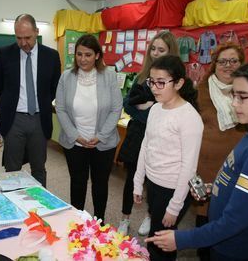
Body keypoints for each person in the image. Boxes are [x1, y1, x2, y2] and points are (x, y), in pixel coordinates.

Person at [147, 58, 248, 261]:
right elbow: (239, 182)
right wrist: (213, 188)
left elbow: (236, 220)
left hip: (234, 248)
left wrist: (182, 239)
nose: (234, 103)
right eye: (233, 95)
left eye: (242, 97)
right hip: (221, 242)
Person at [133, 55, 203, 260]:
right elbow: (146, 146)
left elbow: (189, 167)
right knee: (158, 239)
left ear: (179, 83)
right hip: (154, 184)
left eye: (161, 82)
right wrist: (138, 182)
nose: (154, 88)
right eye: (151, 81)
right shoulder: (155, 108)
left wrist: (175, 206)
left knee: (161, 243)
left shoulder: (189, 118)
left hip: (173, 189)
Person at [117, 31, 180, 236]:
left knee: (155, 182)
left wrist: (150, 107)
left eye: (161, 49)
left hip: (161, 138)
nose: (155, 53)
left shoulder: (176, 79)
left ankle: (151, 216)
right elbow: (128, 104)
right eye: (153, 48)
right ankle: (125, 218)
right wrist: (148, 108)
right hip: (137, 135)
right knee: (132, 179)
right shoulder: (142, 75)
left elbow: (172, 111)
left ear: (171, 52)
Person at [55, 34, 122, 222]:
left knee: (100, 185)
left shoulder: (108, 75)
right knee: (78, 184)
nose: (82, 59)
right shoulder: (66, 77)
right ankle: (78, 223)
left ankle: (99, 223)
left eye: (88, 55)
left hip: (103, 143)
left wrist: (100, 136)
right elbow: (60, 108)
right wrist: (75, 135)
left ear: (98, 56)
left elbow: (116, 108)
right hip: (75, 143)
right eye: (79, 54)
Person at [0, 14, 61, 187]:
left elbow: (54, 87)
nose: (23, 43)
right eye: (19, 38)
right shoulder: (3, 54)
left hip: (40, 118)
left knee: (38, 167)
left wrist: (41, 103)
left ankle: (41, 204)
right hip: (14, 119)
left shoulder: (51, 56)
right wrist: (9, 106)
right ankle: (14, 206)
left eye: (28, 38)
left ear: (37, 32)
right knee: (12, 168)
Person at [195, 43, 248, 261]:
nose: (228, 66)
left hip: (238, 165)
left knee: (232, 216)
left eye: (233, 61)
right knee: (205, 218)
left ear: (241, 64)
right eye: (222, 61)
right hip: (206, 165)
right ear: (214, 64)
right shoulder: (201, 91)